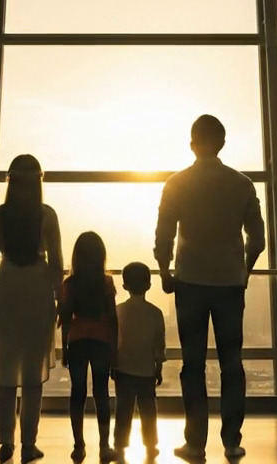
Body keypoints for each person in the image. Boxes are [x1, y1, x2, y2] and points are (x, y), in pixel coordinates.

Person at [155, 115, 265, 461]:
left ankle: (196, 443)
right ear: (222, 143)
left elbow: (164, 235)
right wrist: (243, 271)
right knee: (232, 364)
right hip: (230, 284)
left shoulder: (176, 184)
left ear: (192, 144)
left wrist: (164, 270)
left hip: (190, 281)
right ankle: (231, 440)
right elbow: (258, 239)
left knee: (192, 365)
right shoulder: (243, 184)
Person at [0, 154, 64, 464]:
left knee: (5, 372)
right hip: (37, 289)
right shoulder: (47, 215)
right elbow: (56, 262)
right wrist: (60, 299)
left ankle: (5, 442)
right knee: (32, 374)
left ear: (10, 182)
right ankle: (29, 443)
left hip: (7, 287)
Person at [59, 231, 118, 463]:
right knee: (101, 393)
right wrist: (115, 350)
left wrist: (64, 349)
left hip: (77, 342)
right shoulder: (106, 282)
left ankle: (79, 445)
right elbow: (113, 318)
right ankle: (104, 446)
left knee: (78, 392)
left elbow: (65, 318)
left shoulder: (70, 284)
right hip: (102, 342)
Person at [112, 262, 165, 461]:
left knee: (123, 411)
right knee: (148, 411)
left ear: (124, 286)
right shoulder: (155, 313)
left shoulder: (118, 311)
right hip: (146, 371)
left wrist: (113, 364)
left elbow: (113, 341)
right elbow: (158, 345)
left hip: (124, 369)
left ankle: (119, 446)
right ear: (149, 285)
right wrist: (158, 367)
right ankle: (151, 445)